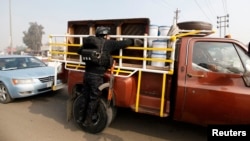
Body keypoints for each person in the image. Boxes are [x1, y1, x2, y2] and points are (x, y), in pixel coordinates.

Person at [77, 26, 142, 126]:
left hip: (87, 74)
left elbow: (79, 51)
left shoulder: (88, 42)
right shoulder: (107, 43)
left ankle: (80, 117)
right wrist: (133, 41)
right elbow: (122, 44)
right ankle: (87, 121)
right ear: (105, 35)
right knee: (94, 98)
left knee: (85, 96)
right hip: (97, 76)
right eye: (108, 35)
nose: (109, 37)